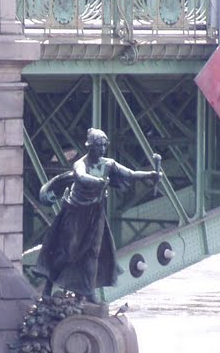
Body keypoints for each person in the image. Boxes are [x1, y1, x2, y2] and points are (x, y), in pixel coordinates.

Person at [33, 128, 163, 301]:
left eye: (104, 145)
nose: (102, 149)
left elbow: (130, 174)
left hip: (96, 212)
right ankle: (48, 285)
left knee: (93, 253)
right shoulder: (81, 163)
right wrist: (99, 182)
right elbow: (81, 176)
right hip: (76, 212)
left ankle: (88, 292)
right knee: (68, 253)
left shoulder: (108, 164)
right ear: (90, 146)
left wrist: (151, 175)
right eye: (99, 146)